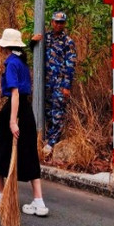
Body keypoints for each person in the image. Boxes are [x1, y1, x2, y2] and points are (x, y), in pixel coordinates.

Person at [0, 28, 48, 216]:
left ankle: (0, 194)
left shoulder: (11, 64)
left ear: (5, 47)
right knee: (29, 153)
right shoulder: (22, 62)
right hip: (27, 113)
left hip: (14, 110)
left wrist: (12, 121)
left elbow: (15, 93)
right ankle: (39, 201)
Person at [30, 11, 77, 156]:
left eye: (61, 22)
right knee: (47, 111)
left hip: (59, 83)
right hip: (45, 83)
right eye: (56, 22)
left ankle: (51, 143)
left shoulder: (68, 42)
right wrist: (32, 42)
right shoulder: (46, 38)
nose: (58, 25)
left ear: (64, 24)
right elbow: (35, 53)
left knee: (57, 112)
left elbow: (70, 65)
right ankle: (45, 140)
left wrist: (66, 86)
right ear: (52, 22)